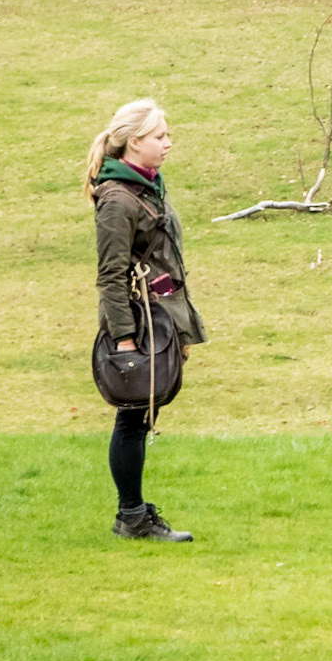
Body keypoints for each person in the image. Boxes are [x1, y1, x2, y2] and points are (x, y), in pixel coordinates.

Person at [85, 99, 208, 541]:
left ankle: (133, 515)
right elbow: (110, 276)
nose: (168, 144)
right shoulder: (118, 200)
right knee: (132, 414)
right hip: (137, 325)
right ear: (134, 142)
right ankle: (131, 516)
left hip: (160, 318)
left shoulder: (147, 187)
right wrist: (124, 342)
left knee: (140, 416)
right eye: (160, 136)